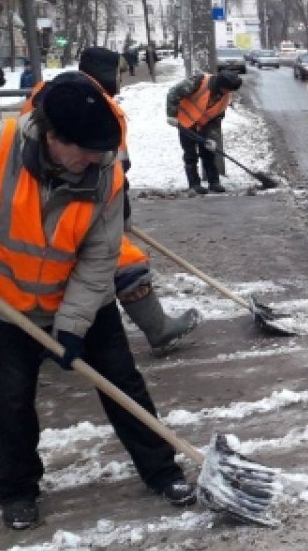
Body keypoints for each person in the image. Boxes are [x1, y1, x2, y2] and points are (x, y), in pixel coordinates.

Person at [0, 72, 195, 530]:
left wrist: (72, 324)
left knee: (123, 384)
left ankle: (163, 470)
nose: (95, 159)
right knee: (13, 400)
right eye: (85, 150)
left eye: (100, 151)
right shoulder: (1, 143)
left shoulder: (104, 173)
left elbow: (98, 258)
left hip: (84, 300)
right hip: (12, 303)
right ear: (52, 136)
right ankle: (16, 490)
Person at [26, 47, 201, 355]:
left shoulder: (45, 91)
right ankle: (158, 330)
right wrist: (119, 213)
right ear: (107, 72)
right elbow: (113, 167)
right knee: (125, 261)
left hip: (30, 199)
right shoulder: (102, 109)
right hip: (77, 202)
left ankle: (46, 335)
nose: (120, 79)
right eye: (119, 73)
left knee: (61, 267)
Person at [165, 71, 242, 194]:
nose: (228, 92)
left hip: (204, 126)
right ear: (220, 84)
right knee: (190, 154)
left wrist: (212, 137)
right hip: (185, 122)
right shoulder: (199, 81)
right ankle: (194, 184)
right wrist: (171, 115)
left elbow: (217, 117)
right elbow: (173, 93)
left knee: (208, 153)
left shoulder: (225, 97)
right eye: (226, 89)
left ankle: (214, 182)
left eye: (230, 90)